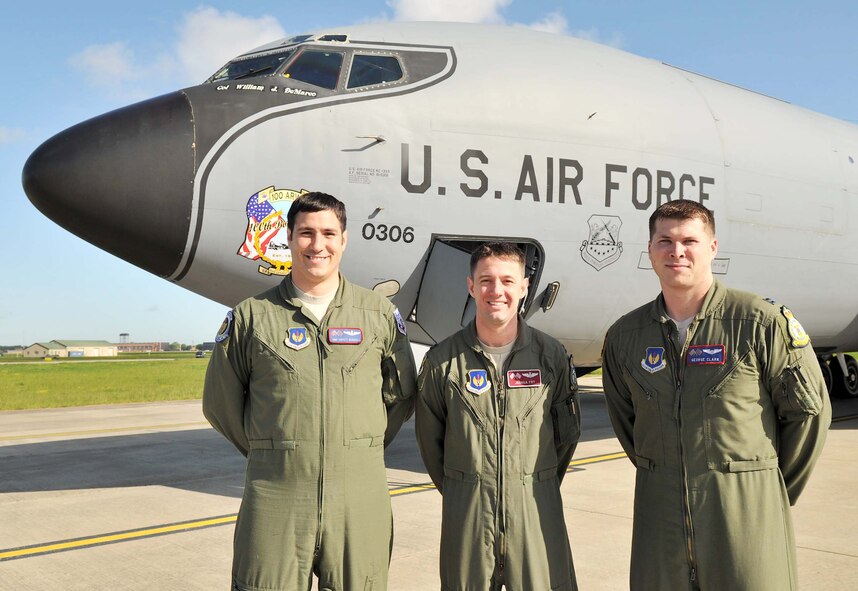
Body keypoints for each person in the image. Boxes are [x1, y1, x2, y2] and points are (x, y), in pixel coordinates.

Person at [601, 200, 831, 590]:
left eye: (689, 240)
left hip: (746, 522)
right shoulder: (626, 336)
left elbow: (808, 416)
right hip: (662, 528)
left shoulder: (760, 322)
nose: (677, 251)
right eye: (664, 241)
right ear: (651, 250)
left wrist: (759, 488)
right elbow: (629, 423)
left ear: (712, 247)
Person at [202, 192, 417, 591]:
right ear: (289, 237)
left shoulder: (379, 314)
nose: (317, 245)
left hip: (359, 496)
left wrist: (358, 445)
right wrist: (273, 447)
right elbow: (220, 403)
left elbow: (401, 393)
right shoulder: (252, 316)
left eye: (328, 233)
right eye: (306, 233)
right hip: (276, 495)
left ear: (344, 240)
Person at [415, 241, 580, 591]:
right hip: (469, 519)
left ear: (524, 287)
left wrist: (530, 482)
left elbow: (565, 436)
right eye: (486, 280)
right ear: (471, 286)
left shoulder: (551, 357)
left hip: (536, 514)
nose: (497, 291)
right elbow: (431, 443)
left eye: (508, 281)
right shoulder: (442, 362)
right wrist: (470, 488)